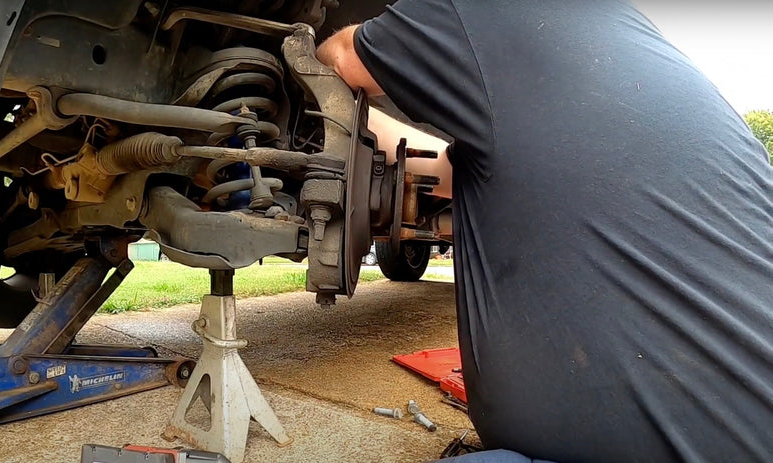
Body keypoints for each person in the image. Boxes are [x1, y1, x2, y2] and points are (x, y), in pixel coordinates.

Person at [317, 1, 773, 462]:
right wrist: (351, 120)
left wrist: (297, 62)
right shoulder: (630, 56)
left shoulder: (482, 10)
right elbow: (445, 165)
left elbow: (340, 58)